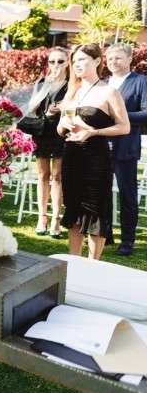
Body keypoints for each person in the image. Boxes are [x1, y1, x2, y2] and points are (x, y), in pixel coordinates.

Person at [57, 43, 129, 260]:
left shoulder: (109, 92)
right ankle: (74, 262)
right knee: (73, 210)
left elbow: (124, 127)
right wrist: (64, 125)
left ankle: (92, 266)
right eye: (75, 60)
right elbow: (60, 129)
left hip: (96, 160)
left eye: (82, 59)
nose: (76, 64)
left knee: (95, 212)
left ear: (97, 61)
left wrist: (94, 132)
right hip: (71, 157)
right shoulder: (72, 91)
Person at [104, 43, 147, 256]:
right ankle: (105, 233)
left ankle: (127, 240)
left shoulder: (141, 82)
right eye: (110, 58)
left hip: (125, 148)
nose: (113, 61)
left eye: (118, 58)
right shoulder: (102, 83)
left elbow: (146, 113)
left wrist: (120, 116)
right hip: (101, 146)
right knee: (102, 191)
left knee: (127, 195)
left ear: (130, 59)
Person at [26, 47, 70, 238]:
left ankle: (55, 219)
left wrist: (59, 108)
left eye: (60, 61)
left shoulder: (72, 83)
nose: (56, 65)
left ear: (68, 62)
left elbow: (74, 105)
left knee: (58, 175)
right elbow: (31, 108)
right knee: (43, 175)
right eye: (52, 62)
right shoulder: (42, 82)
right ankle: (41, 218)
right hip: (43, 131)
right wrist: (44, 88)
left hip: (62, 131)